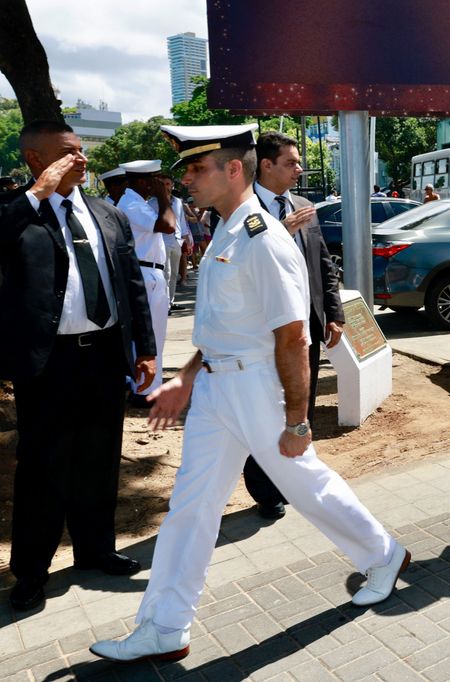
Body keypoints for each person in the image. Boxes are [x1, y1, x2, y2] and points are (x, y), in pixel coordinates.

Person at [90, 123, 409, 663]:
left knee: (306, 484)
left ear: (232, 169)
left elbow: (291, 336)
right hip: (217, 390)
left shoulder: (262, 237)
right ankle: (164, 626)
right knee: (190, 507)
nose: (185, 179)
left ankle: (383, 554)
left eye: (196, 168)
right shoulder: (226, 229)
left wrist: (297, 419)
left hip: (258, 389)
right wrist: (186, 379)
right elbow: (220, 327)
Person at [0, 120, 157, 611]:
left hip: (106, 354)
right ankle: (30, 572)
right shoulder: (17, 213)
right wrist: (35, 197)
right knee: (43, 467)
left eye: (82, 150)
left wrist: (146, 350)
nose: (81, 159)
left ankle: (95, 550)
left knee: (99, 457)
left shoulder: (107, 214)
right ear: (35, 159)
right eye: (69, 152)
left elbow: (131, 284)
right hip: (49, 363)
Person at [246, 131, 346, 520]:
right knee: (266, 410)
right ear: (266, 165)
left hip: (306, 326)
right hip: (265, 331)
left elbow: (323, 264)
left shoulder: (304, 204)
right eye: (291, 162)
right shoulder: (243, 208)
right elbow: (239, 265)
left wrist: (333, 313)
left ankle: (294, 478)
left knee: (300, 407)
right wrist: (279, 233)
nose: (299, 170)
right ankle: (265, 490)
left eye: (299, 162)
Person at [117, 159, 176, 405]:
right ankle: (145, 390)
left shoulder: (136, 202)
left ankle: (148, 387)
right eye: (155, 180)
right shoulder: (131, 203)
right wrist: (164, 197)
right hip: (145, 272)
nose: (159, 184)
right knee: (150, 335)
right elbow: (168, 225)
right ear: (143, 181)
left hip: (150, 272)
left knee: (152, 334)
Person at [153, 173, 192, 311]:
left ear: (172, 185)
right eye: (162, 184)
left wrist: (187, 238)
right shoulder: (152, 203)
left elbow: (181, 221)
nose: (165, 187)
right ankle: (165, 304)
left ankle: (171, 301)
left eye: (168, 184)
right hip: (161, 241)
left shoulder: (178, 202)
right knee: (166, 273)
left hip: (177, 240)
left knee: (175, 273)